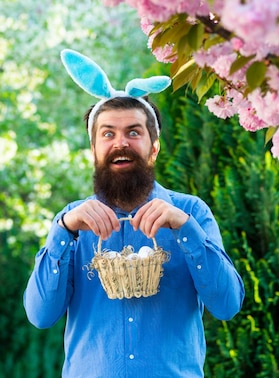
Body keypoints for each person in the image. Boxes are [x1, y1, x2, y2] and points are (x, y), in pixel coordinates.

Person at [23, 49, 245, 377]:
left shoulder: (191, 212)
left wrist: (185, 229)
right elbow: (40, 315)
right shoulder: (71, 221)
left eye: (134, 132)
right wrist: (63, 230)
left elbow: (227, 305)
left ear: (153, 148)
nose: (120, 143)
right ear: (94, 150)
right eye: (108, 133)